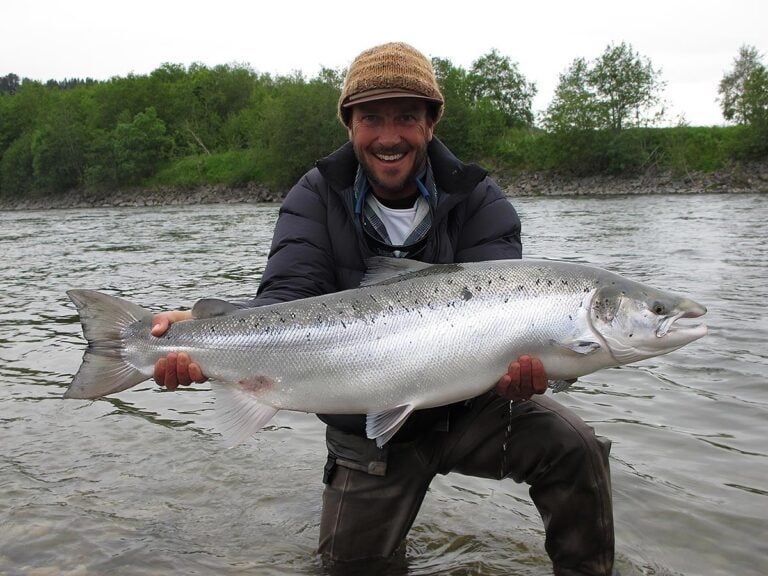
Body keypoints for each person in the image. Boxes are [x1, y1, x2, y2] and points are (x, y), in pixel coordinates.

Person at [151, 42, 615, 576]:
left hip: (470, 409)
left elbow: (508, 314)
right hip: (366, 430)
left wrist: (530, 375)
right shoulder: (316, 196)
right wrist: (202, 334)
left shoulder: (478, 198)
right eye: (372, 117)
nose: (389, 136)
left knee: (574, 448)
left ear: (431, 124)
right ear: (349, 125)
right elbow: (286, 301)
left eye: (406, 117)